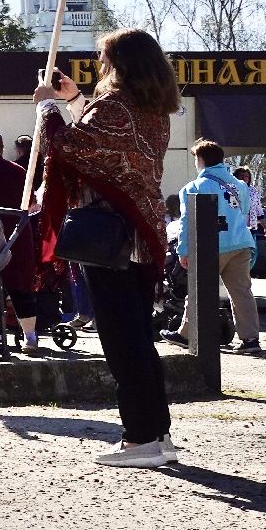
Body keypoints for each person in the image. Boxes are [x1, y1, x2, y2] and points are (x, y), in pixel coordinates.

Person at [34, 28, 180, 467]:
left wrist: (48, 106)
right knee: (138, 336)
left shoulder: (115, 108)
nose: (101, 66)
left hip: (108, 235)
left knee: (121, 338)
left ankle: (140, 438)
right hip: (139, 231)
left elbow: (74, 146)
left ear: (120, 63)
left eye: (105, 59)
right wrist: (77, 99)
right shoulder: (152, 110)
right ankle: (157, 432)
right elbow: (101, 145)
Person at [166, 139, 262, 354]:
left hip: (212, 245)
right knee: (242, 292)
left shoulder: (193, 187)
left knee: (198, 289)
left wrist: (183, 250)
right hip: (241, 242)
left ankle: (185, 335)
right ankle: (250, 340)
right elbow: (244, 210)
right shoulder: (240, 186)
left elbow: (186, 222)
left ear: (200, 160)